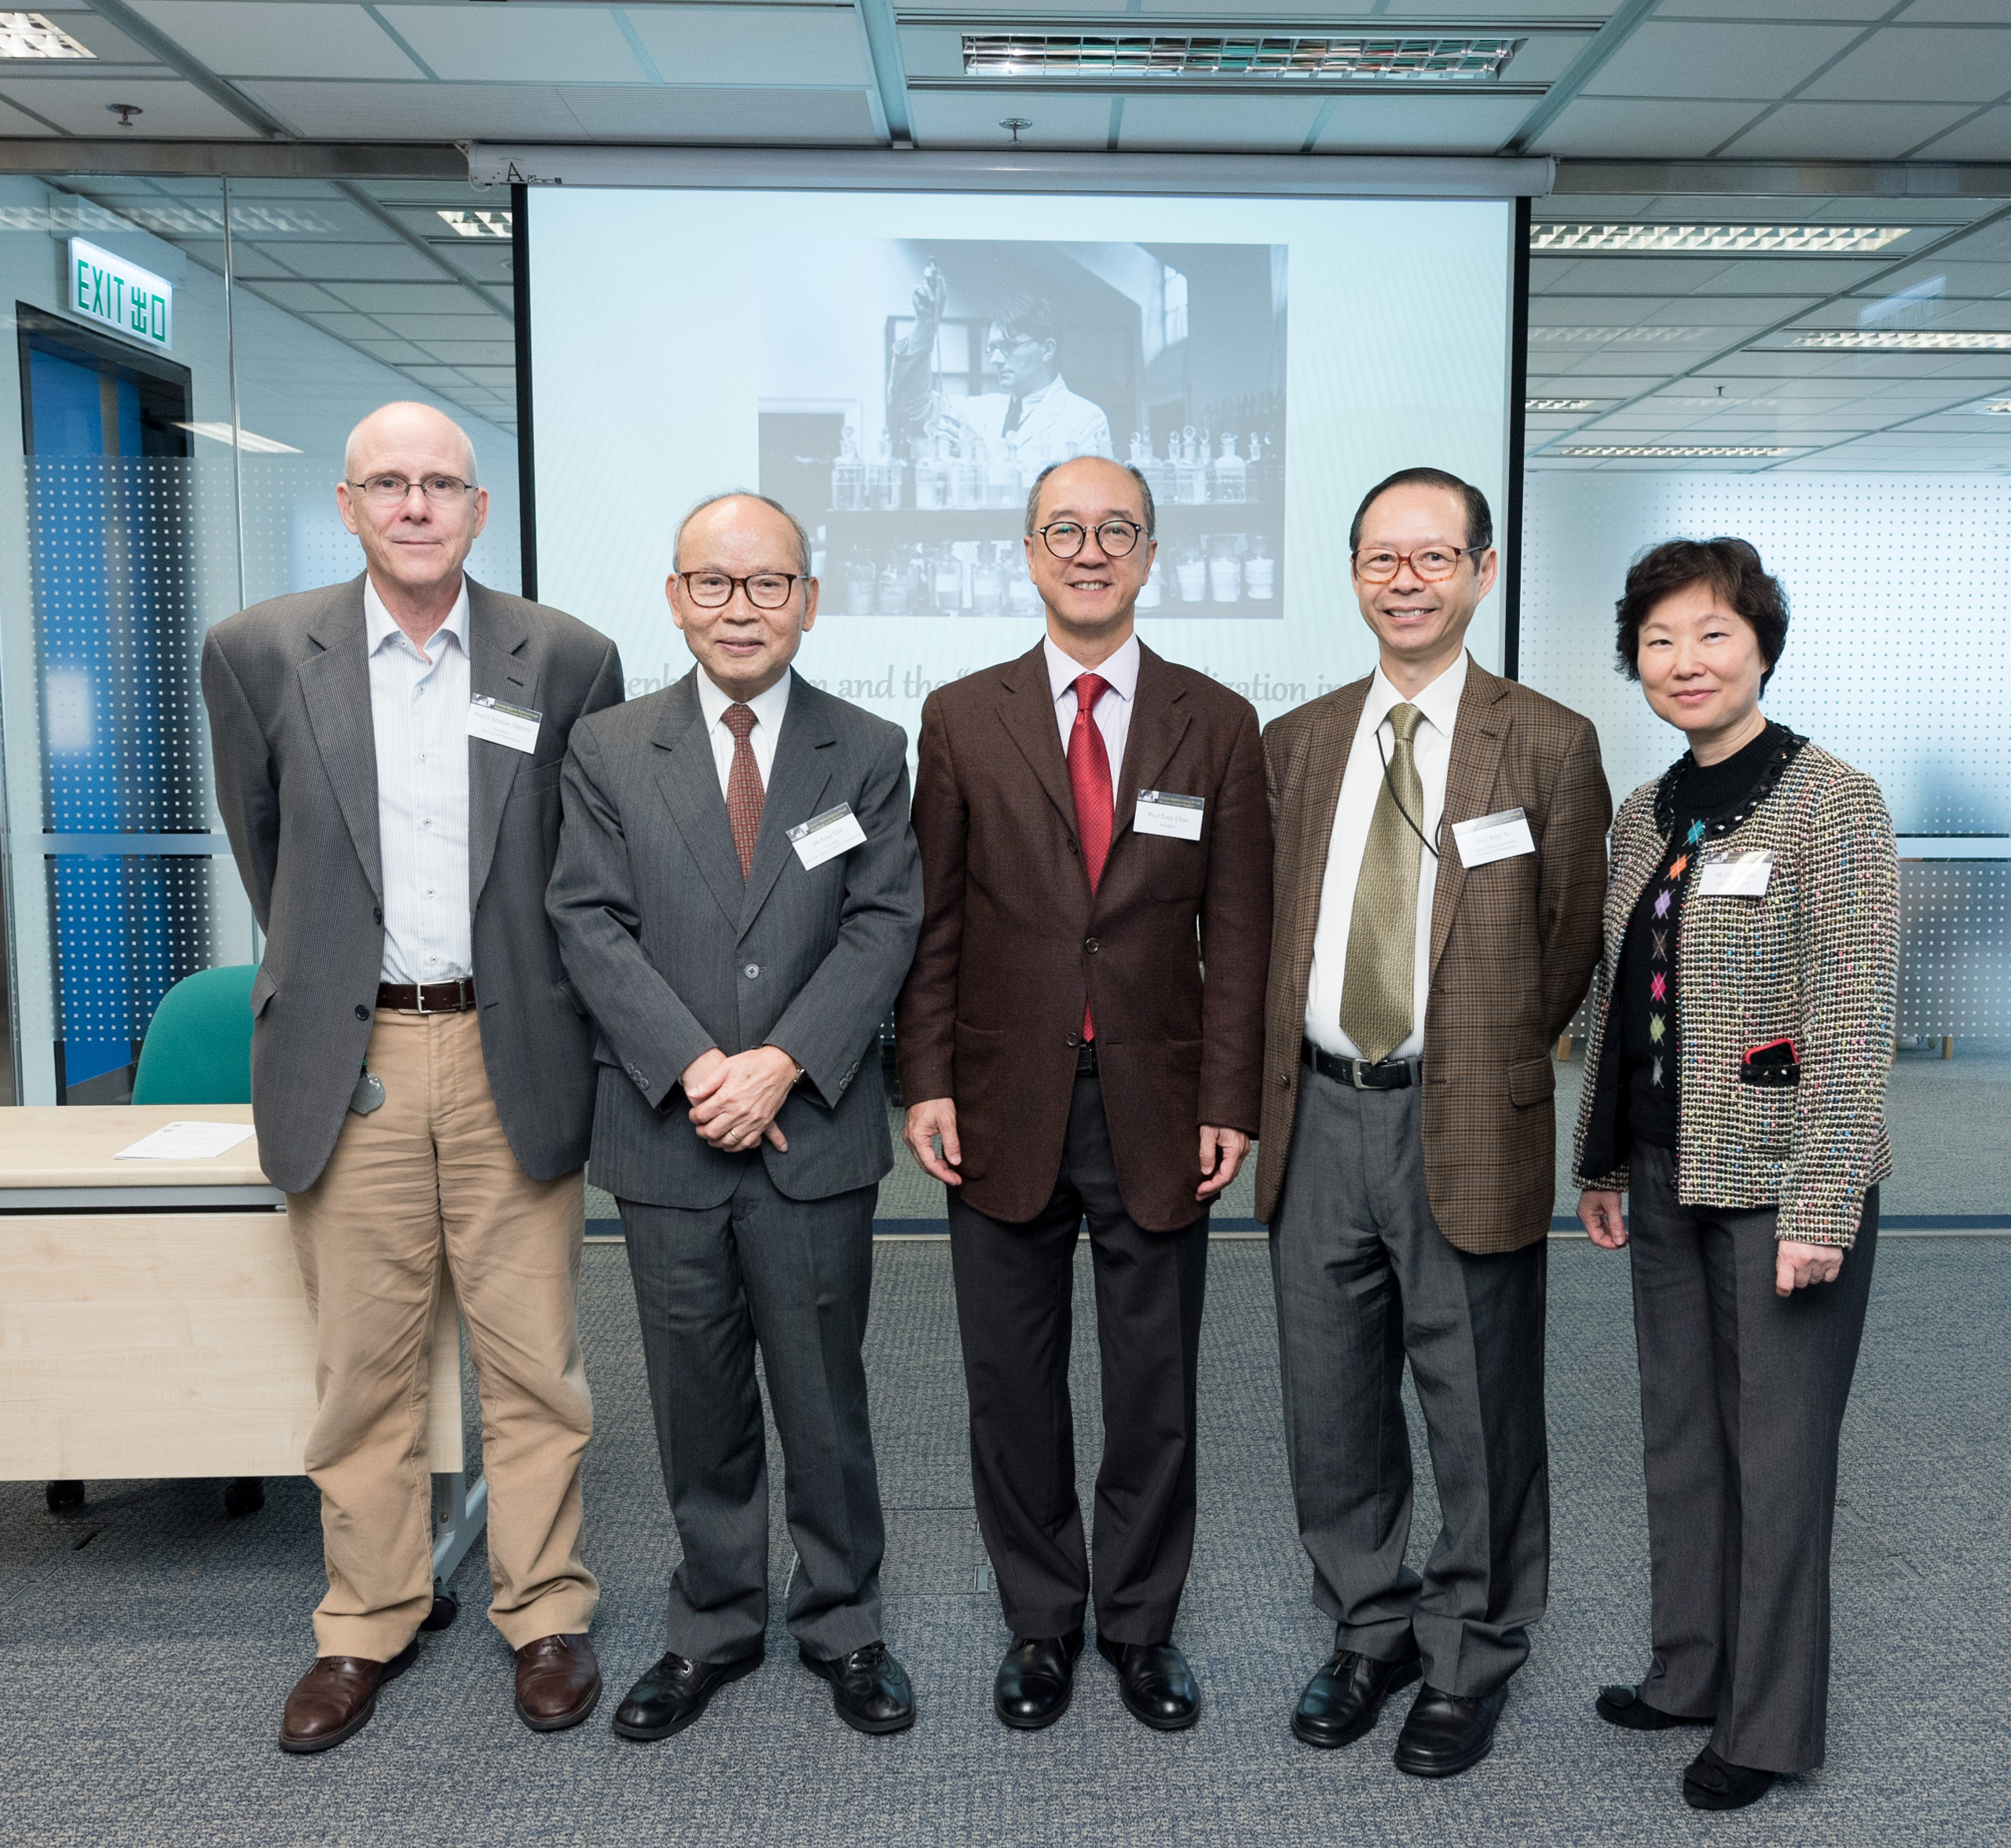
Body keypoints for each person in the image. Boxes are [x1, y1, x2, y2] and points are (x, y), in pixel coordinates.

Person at [200, 401, 624, 1753]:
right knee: (361, 1368)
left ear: (478, 508)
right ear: (347, 504)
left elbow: (582, 863)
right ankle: (365, 1619)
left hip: (515, 1040)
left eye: (441, 483)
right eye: (389, 483)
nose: (417, 505)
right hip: (355, 1050)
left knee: (532, 1362)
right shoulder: (261, 651)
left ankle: (543, 1607)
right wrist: (342, 985)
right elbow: (268, 859)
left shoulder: (564, 657)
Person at [896, 455, 1269, 1733]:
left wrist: (1233, 1093)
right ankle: (1042, 1621)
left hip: (1161, 1101)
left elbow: (1241, 930)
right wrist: (926, 1076)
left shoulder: (1215, 721)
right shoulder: (960, 716)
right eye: (1067, 528)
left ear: (1152, 555)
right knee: (1011, 1380)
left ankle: (1140, 1626)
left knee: (1154, 1384)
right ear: (1030, 549)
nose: (1091, 548)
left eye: (1118, 530)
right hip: (1000, 1096)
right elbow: (933, 917)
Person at [548, 492, 925, 1742]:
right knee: (694, 1392)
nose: (740, 609)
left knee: (824, 1391)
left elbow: (883, 922)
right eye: (714, 583)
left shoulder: (865, 747)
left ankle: (843, 1620)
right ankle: (713, 1619)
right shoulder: (609, 747)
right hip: (667, 1129)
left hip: (810, 1130)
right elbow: (587, 919)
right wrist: (702, 1065)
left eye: (768, 585)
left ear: (809, 600)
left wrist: (781, 1063)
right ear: (673, 596)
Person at [1255, 467, 1611, 1779]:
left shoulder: (1549, 740)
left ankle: (1469, 1651)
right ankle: (1367, 1626)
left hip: (1461, 1116)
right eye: (1379, 558)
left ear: (1481, 572)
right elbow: (1257, 938)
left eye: (1431, 556)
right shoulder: (1293, 743)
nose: (1404, 579)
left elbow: (1571, 938)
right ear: (1352, 574)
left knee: (1475, 1405)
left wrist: (1481, 1058)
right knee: (1329, 1402)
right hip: (1315, 1116)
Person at [1571, 536, 1897, 1813]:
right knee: (1680, 1439)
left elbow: (1855, 1010)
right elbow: (1617, 997)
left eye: (1709, 634)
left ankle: (1764, 1725)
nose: (1684, 662)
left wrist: (1823, 1205)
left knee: (1777, 1453)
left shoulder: (1831, 800)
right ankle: (1688, 1669)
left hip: (1780, 1187)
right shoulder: (1647, 812)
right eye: (1658, 642)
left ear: (1759, 642)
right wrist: (1594, 1160)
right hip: (1659, 1170)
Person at [892, 267, 1113, 474]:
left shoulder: (1086, 419)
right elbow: (911, 404)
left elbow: (1083, 501)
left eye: (1008, 346)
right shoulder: (981, 410)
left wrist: (983, 459)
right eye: (992, 348)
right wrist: (925, 324)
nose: (996, 359)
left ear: (1047, 350)